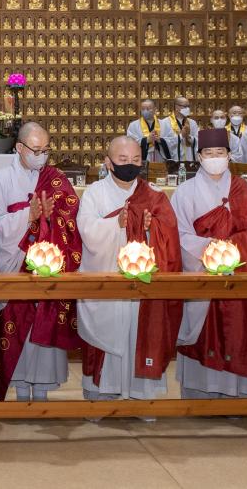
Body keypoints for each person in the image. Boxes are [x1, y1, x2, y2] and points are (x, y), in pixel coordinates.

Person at [75, 136, 182, 409]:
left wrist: (150, 228)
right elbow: (86, 230)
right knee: (108, 337)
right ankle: (101, 396)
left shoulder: (154, 194)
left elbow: (169, 234)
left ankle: (141, 398)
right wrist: (116, 224)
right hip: (106, 278)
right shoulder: (95, 193)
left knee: (140, 335)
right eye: (123, 160)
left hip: (141, 283)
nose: (130, 165)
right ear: (108, 162)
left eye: (136, 160)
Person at [171, 129, 247, 400]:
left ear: (229, 156)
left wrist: (231, 248)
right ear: (199, 157)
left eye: (220, 153)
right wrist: (211, 249)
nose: (215, 158)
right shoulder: (185, 192)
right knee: (205, 335)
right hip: (202, 275)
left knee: (238, 332)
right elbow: (178, 236)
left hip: (238, 276)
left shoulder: (243, 190)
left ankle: (237, 397)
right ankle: (199, 396)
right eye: (209, 153)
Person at [0, 122, 82, 402]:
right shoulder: (1, 180)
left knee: (44, 324)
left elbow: (71, 217)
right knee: (15, 329)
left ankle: (42, 391)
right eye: (36, 150)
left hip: (47, 266)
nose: (42, 156)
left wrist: (52, 217)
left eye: (46, 150)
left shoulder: (56, 178)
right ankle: (20, 390)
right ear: (19, 148)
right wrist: (28, 215)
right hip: (14, 264)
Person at [159, 96, 198, 164]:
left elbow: (198, 140)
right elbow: (163, 142)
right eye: (185, 106)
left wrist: (188, 137)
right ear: (176, 107)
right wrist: (181, 136)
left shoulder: (192, 123)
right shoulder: (165, 122)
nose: (187, 109)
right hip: (174, 160)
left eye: (188, 106)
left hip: (189, 159)